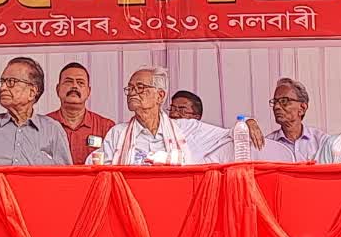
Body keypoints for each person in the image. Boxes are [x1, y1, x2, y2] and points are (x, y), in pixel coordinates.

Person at [102, 67, 265, 165]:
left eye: (140, 87)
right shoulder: (118, 133)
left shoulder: (186, 128)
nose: (132, 93)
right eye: (129, 88)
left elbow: (228, 135)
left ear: (160, 95)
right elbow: (98, 169)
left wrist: (248, 122)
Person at [0, 57, 72, 165]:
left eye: (11, 82)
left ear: (32, 92)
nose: (2, 87)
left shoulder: (52, 130)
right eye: (2, 81)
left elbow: (67, 178)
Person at [46, 62, 115, 165]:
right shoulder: (43, 125)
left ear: (88, 91)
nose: (74, 86)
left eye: (80, 83)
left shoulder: (106, 127)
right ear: (57, 89)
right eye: (68, 82)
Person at [265, 77, 329, 162]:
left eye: (284, 101)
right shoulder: (268, 144)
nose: (276, 107)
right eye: (275, 102)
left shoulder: (322, 141)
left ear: (302, 108)